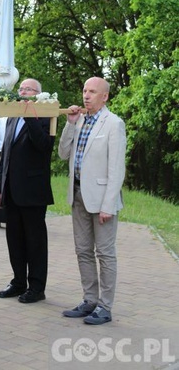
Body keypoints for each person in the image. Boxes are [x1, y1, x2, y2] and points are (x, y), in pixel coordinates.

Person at [58, 76, 126, 325]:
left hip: (102, 201)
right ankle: (89, 301)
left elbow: (117, 169)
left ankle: (105, 307)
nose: (86, 95)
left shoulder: (113, 124)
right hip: (77, 196)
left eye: (92, 91)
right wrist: (69, 124)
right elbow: (63, 153)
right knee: (83, 251)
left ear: (105, 96)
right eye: (85, 90)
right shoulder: (79, 120)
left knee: (105, 254)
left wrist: (108, 204)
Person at [0, 78, 54, 303]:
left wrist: (30, 115)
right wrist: (0, 188)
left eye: (28, 89)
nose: (22, 92)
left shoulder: (46, 115)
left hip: (33, 191)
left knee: (35, 241)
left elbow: (44, 146)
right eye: (21, 89)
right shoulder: (11, 116)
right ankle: (18, 282)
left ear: (38, 94)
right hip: (10, 190)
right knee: (15, 239)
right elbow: (5, 154)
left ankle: (37, 287)